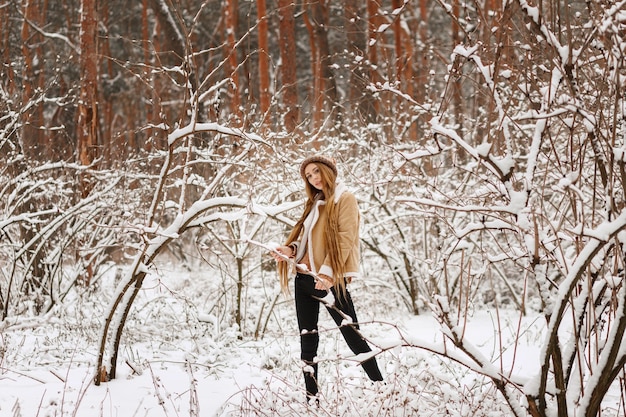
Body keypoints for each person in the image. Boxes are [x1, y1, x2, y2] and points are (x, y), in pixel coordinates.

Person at [271, 155, 383, 403]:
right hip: (304, 279)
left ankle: (384, 390)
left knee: (353, 336)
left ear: (327, 170)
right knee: (307, 338)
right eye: (308, 176)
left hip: (329, 280)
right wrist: (289, 250)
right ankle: (312, 400)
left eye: (315, 172)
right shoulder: (314, 203)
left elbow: (345, 238)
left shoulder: (345, 199)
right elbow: (305, 239)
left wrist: (328, 272)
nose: (313, 178)